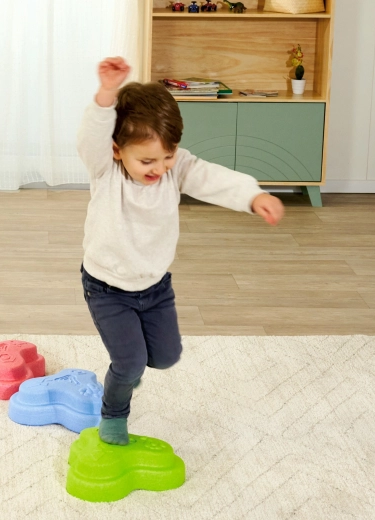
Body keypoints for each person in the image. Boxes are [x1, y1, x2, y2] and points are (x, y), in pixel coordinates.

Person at [77, 56, 284, 446]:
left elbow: (212, 178)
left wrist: (253, 196)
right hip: (107, 287)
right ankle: (114, 414)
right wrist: (107, 93)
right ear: (117, 150)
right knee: (129, 363)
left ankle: (129, 372)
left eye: (167, 156)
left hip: (155, 287)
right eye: (147, 160)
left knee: (166, 357)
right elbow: (92, 135)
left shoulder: (175, 167)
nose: (159, 168)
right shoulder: (105, 169)